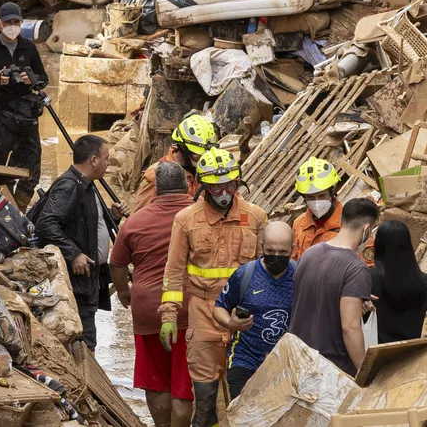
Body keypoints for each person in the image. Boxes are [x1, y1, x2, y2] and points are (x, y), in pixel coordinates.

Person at [160, 147, 267, 427]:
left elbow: (267, 271)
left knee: (247, 396)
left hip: (246, 317)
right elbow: (173, 270)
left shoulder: (255, 217)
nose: (223, 192)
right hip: (204, 314)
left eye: (228, 185)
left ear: (236, 183)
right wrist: (169, 316)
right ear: (204, 186)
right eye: (216, 186)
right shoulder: (186, 220)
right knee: (205, 402)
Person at [109, 162, 196, 427]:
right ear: (188, 185)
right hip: (190, 307)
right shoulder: (199, 215)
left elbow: (117, 263)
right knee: (184, 383)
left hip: (148, 307)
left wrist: (125, 292)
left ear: (155, 188)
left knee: (157, 380)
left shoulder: (135, 221)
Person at [35, 135, 125, 350]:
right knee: (84, 342)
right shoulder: (69, 186)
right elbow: (46, 223)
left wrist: (112, 217)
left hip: (88, 282)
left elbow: (83, 226)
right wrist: (73, 253)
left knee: (86, 338)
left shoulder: (86, 185)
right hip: (75, 284)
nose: (107, 163)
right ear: (94, 160)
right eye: (106, 158)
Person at [0, 2, 48, 208]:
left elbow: (43, 78)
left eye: (16, 22)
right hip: (2, 115)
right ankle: (1, 210)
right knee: (2, 170)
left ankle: (19, 209)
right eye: (8, 22)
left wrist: (31, 80)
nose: (12, 26)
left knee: (31, 170)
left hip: (28, 116)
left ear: (21, 23)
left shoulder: (28, 47)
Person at [288, 198, 378, 376]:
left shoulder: (309, 255)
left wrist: (356, 296)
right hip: (331, 371)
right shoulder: (356, 267)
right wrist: (363, 371)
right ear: (366, 229)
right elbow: (350, 327)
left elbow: (313, 298)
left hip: (298, 361)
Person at [212, 221, 295, 399]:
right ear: (262, 247)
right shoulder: (245, 274)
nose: (276, 256)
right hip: (245, 358)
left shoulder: (300, 275)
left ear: (292, 250)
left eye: (283, 252)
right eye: (271, 251)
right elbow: (219, 307)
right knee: (242, 412)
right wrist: (230, 323)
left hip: (285, 361)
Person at [369, 220, 427, 344]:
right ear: (408, 245)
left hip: (377, 352)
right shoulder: (424, 281)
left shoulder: (368, 277)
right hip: (410, 353)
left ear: (378, 245)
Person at [290, 157, 374, 266]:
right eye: (311, 197)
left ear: (332, 191)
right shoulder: (299, 224)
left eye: (322, 196)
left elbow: (367, 268)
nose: (317, 202)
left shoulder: (354, 223)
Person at [133, 115, 218, 212]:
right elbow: (141, 215)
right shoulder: (155, 175)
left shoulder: (205, 170)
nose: (202, 160)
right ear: (182, 148)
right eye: (197, 155)